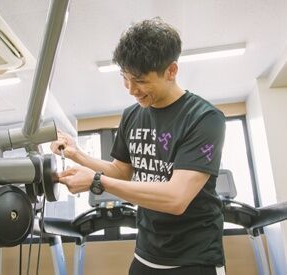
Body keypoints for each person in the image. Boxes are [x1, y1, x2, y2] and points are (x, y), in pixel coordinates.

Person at [51, 17, 226, 275]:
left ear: (172, 71)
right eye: (125, 78)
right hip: (146, 255)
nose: (132, 89)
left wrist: (96, 181)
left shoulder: (204, 118)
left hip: (194, 260)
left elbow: (176, 198)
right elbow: (122, 171)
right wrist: (77, 155)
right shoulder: (132, 115)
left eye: (141, 80)